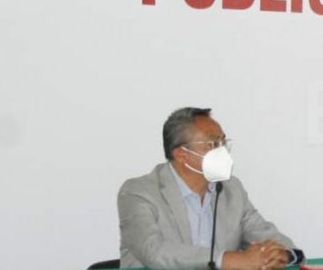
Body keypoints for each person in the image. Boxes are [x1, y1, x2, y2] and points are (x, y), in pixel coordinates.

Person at [118, 107, 304, 269]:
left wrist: (284, 254)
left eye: (223, 142)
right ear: (182, 154)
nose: (222, 150)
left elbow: (265, 234)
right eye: (213, 144)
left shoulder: (231, 189)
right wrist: (228, 260)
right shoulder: (138, 192)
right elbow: (153, 251)